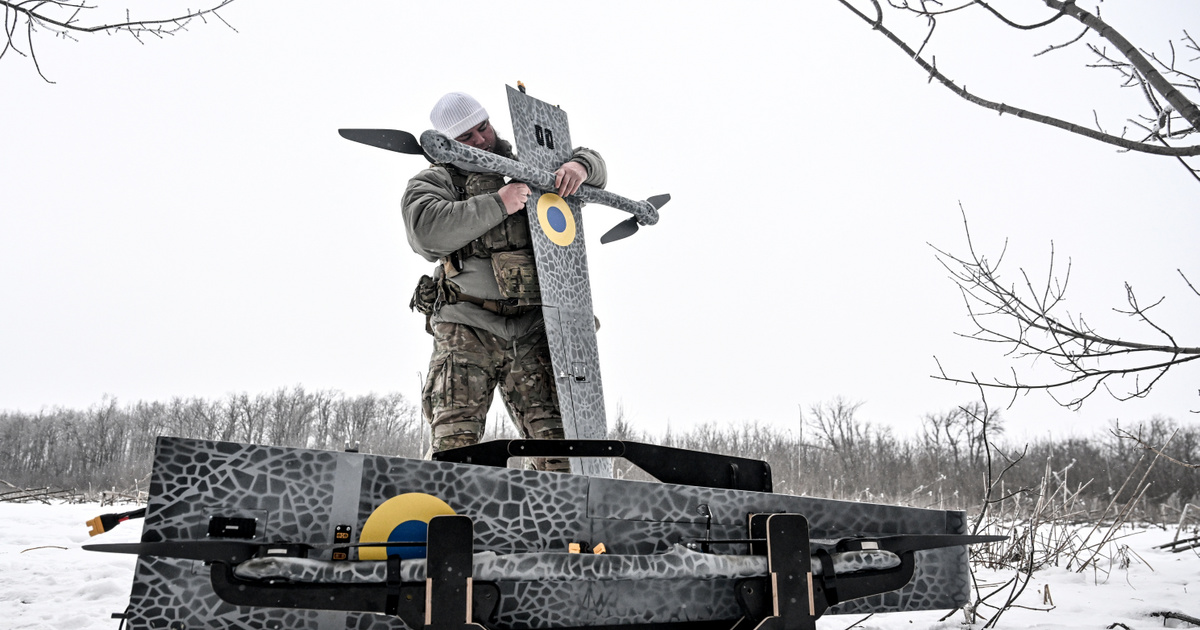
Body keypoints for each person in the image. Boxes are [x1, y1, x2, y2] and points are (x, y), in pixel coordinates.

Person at [402, 92, 607, 472]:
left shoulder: (527, 166)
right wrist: (499, 203)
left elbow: (593, 163)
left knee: (562, 453)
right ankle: (451, 524)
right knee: (455, 451)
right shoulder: (436, 180)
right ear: (446, 143)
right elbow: (425, 233)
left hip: (534, 328)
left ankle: (552, 526)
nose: (480, 140)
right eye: (466, 137)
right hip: (468, 327)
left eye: (483, 127)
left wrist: (581, 166)